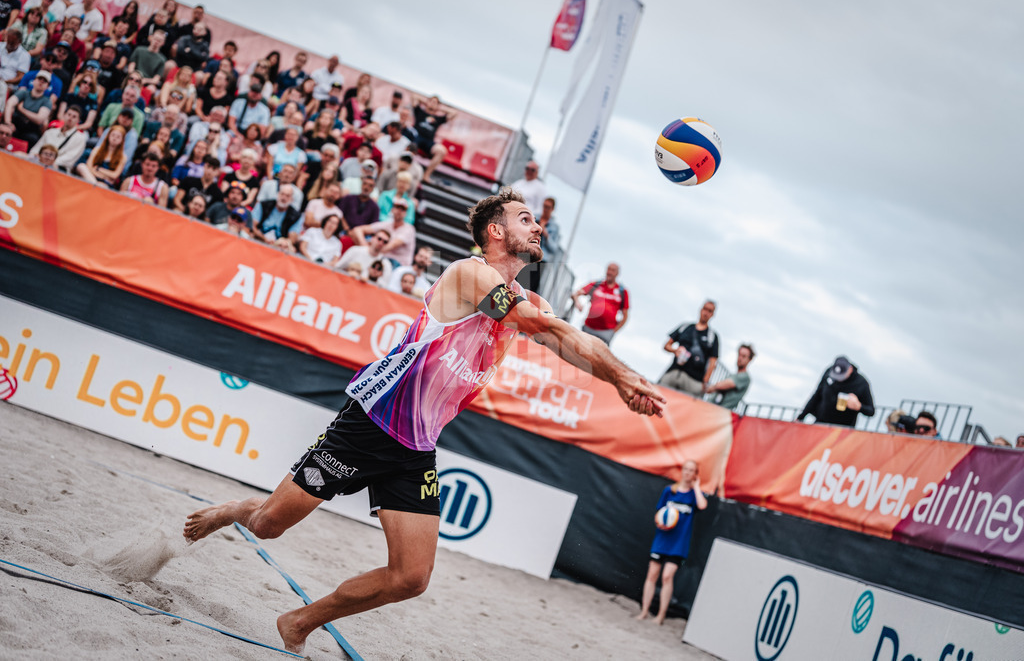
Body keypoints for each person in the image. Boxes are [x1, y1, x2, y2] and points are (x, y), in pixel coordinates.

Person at [182, 186, 664, 654]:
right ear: (495, 231)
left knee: (411, 578)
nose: (538, 226)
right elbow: (543, 327)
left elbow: (568, 339)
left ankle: (300, 621)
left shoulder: (530, 303)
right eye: (525, 219)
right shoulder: (468, 275)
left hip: (416, 446)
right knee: (268, 525)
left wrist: (625, 379)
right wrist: (619, 377)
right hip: (369, 423)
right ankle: (233, 510)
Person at [635, 459, 706, 625]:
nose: (687, 473)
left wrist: (696, 487)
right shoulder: (669, 491)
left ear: (695, 474)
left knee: (667, 576)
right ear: (682, 471)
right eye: (686, 469)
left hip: (678, 544)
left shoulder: (694, 496)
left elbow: (702, 506)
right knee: (652, 574)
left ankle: (660, 616)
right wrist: (660, 521)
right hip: (662, 539)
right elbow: (658, 513)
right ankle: (644, 611)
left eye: (691, 470)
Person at [658, 300, 719, 397]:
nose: (706, 313)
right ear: (700, 309)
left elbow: (713, 361)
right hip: (673, 373)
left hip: (694, 381)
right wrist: (675, 350)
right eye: (705, 309)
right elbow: (666, 345)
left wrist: (705, 382)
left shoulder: (712, 337)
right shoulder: (685, 327)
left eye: (710, 311)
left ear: (712, 314)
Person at [796, 356, 875, 427]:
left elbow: (871, 411)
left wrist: (859, 406)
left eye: (842, 376)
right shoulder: (828, 372)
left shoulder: (861, 383)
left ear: (850, 369)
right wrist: (801, 417)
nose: (838, 379)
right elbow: (816, 396)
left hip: (842, 429)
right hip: (821, 423)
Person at [571, 263, 629, 345]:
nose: (610, 272)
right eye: (608, 269)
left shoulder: (622, 292)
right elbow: (575, 294)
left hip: (606, 332)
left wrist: (613, 331)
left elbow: (625, 315)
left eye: (613, 270)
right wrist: (578, 303)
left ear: (617, 273)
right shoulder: (597, 285)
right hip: (588, 328)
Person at [29, 102, 85, 171]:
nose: (70, 118)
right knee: (20, 155)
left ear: (78, 121)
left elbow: (69, 159)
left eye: (74, 117)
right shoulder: (50, 132)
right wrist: (37, 157)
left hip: (58, 169)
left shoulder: (80, 138)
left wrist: (49, 162)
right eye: (69, 114)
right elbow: (35, 149)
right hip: (38, 162)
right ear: (64, 115)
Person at [5, 70, 52, 145]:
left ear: (47, 86)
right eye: (39, 79)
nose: (41, 82)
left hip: (31, 130)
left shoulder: (47, 101)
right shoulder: (23, 92)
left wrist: (22, 109)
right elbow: (10, 103)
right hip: (16, 123)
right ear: (34, 81)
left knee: (33, 139)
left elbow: (39, 119)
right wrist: (8, 123)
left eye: (44, 81)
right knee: (4, 131)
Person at [704, 344, 754, 410]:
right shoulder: (733, 375)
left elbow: (722, 385)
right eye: (739, 355)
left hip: (719, 412)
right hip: (711, 408)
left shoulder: (745, 377)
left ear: (749, 359)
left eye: (744, 356)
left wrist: (713, 387)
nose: (740, 358)